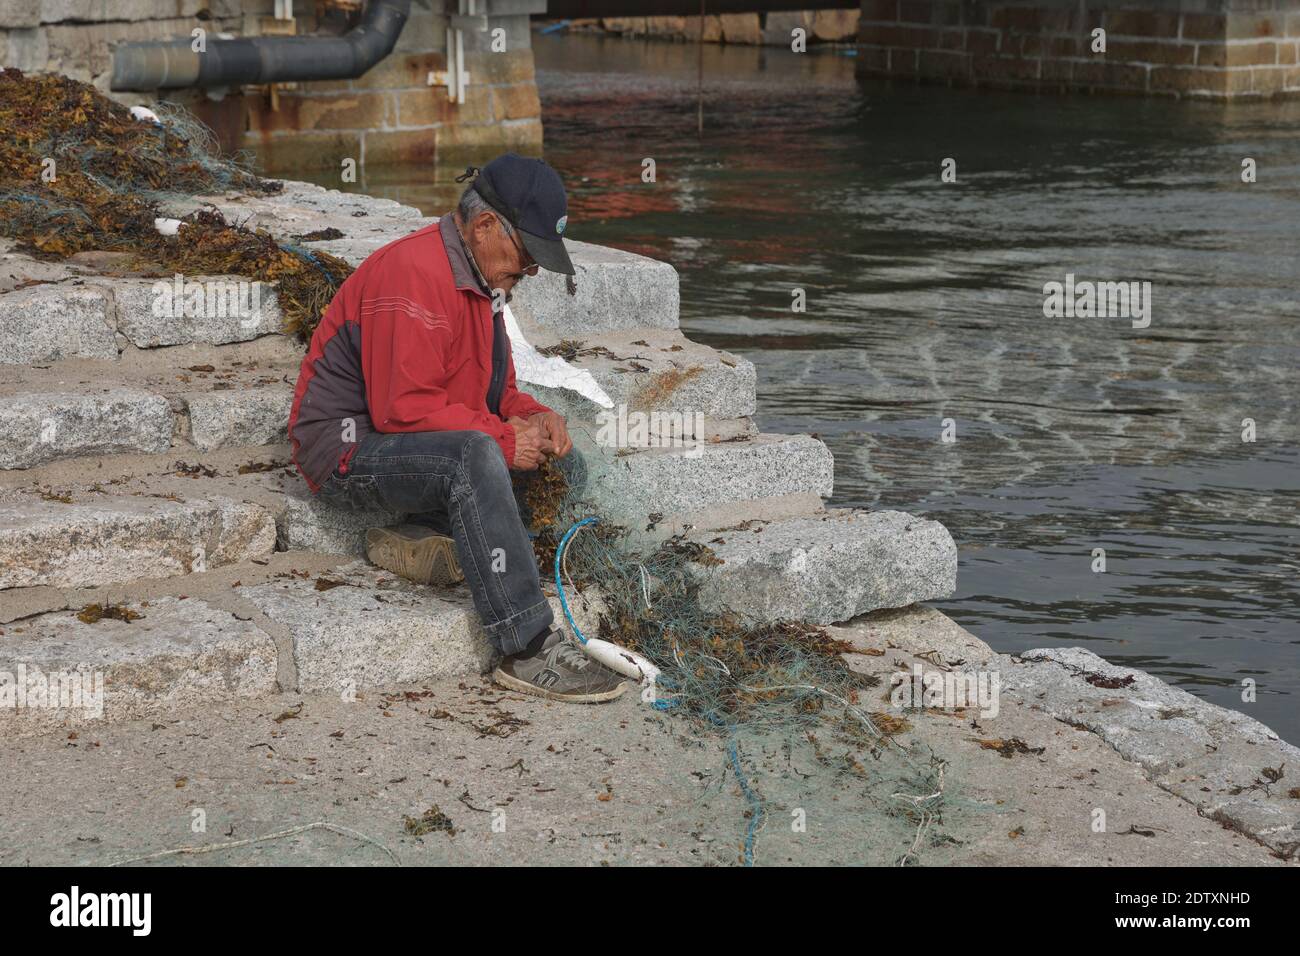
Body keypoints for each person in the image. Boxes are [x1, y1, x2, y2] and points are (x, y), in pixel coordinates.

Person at [287, 153, 626, 703]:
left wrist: (535, 415)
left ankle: (421, 528)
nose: (534, 270)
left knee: (520, 450)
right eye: (529, 254)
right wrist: (501, 438)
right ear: (485, 225)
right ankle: (526, 644)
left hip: (409, 443)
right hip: (347, 451)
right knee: (477, 455)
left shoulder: (483, 282)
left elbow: (496, 391)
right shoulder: (412, 273)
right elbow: (401, 408)